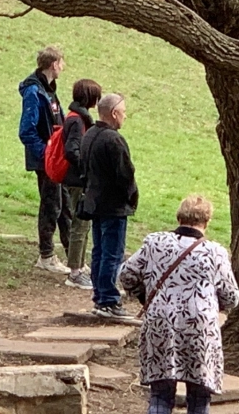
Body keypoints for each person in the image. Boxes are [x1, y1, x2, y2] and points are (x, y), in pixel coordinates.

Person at [119, 195, 239, 414]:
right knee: (200, 397)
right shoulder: (216, 252)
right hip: (200, 328)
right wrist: (213, 304)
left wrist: (145, 297)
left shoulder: (154, 242)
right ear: (207, 221)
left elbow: (126, 274)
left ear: (179, 216)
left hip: (160, 324)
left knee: (160, 395)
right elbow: (231, 296)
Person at [79, 93, 137, 317]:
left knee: (99, 251)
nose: (125, 116)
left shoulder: (90, 135)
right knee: (112, 254)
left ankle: (100, 296)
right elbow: (125, 174)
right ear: (114, 113)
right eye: (123, 111)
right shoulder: (113, 140)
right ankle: (109, 300)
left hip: (95, 202)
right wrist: (131, 196)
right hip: (113, 204)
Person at [18, 46, 70, 274]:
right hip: (46, 160)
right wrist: (46, 154)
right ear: (53, 64)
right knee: (51, 205)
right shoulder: (34, 92)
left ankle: (73, 257)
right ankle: (46, 255)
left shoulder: (49, 90)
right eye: (61, 62)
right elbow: (27, 130)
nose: (63, 66)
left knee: (65, 205)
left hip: (57, 159)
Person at [60, 78, 101, 290]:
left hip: (77, 179)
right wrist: (86, 165)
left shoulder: (77, 118)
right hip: (77, 180)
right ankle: (74, 271)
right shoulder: (77, 121)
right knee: (80, 224)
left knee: (83, 224)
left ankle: (80, 265)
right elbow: (71, 150)